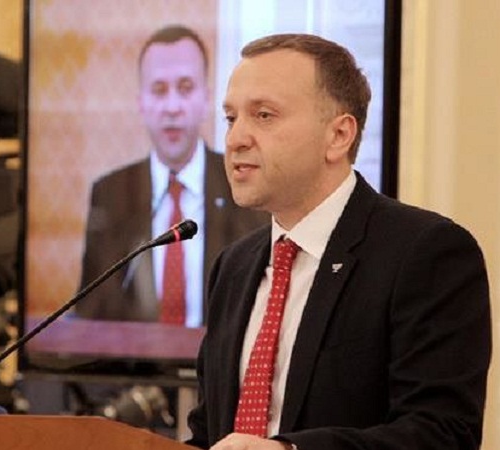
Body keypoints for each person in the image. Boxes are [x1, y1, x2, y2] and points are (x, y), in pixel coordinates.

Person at [185, 33, 492, 450]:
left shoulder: (427, 253)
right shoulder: (233, 267)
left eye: (264, 115)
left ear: (339, 135)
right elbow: (209, 432)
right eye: (230, 118)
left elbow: (443, 434)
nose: (235, 139)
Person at [77, 25, 268, 327]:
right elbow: (92, 312)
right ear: (141, 103)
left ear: (206, 99)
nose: (172, 107)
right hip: (136, 356)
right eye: (159, 90)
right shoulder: (110, 193)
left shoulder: (244, 183)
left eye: (186, 87)